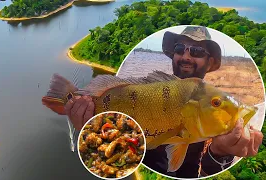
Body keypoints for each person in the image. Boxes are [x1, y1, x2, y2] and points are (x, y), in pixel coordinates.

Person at [64, 26, 263, 178]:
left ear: (210, 62)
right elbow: (116, 158)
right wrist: (93, 132)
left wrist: (220, 154)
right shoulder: (156, 91)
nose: (186, 56)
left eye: (197, 51)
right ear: (173, 54)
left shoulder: (210, 119)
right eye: (179, 48)